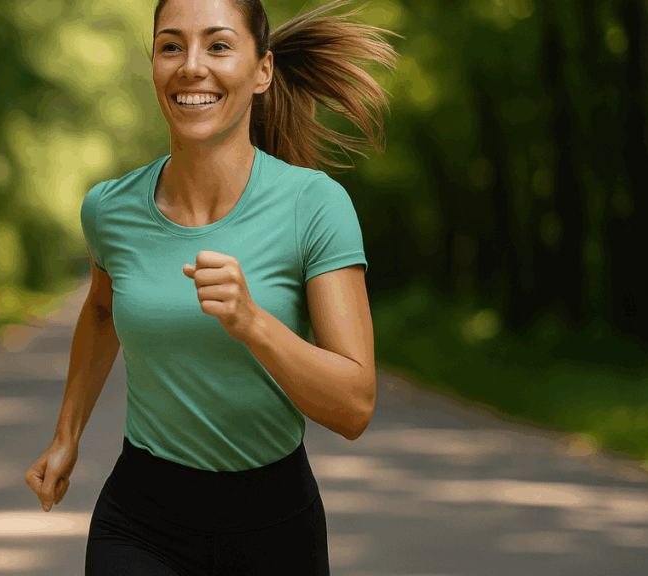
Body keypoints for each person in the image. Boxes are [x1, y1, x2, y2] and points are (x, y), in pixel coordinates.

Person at [25, 0, 398, 573]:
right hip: (141, 521)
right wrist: (66, 435)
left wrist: (254, 323)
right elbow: (102, 311)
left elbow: (355, 405)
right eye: (171, 46)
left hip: (275, 528)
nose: (191, 65)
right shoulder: (110, 209)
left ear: (263, 71)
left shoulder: (315, 206)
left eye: (219, 46)